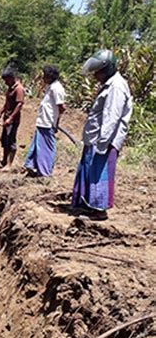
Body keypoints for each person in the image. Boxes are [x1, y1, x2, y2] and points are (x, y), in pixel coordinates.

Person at [71, 49, 132, 220]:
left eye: (97, 72)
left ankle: (99, 210)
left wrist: (103, 143)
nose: (95, 75)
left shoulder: (117, 86)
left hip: (104, 140)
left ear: (107, 69)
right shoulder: (109, 84)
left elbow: (112, 117)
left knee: (100, 174)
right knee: (92, 171)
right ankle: (89, 206)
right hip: (96, 138)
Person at [24, 65, 66, 177]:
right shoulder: (50, 87)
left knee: (46, 148)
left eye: (45, 76)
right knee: (37, 145)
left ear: (50, 76)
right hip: (43, 122)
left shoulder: (57, 88)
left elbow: (61, 107)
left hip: (48, 123)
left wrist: (56, 123)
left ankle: (44, 172)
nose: (43, 78)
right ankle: (32, 166)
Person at [0, 67, 25, 168]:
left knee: (11, 141)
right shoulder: (10, 88)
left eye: (6, 80)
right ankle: (4, 161)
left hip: (13, 120)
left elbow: (19, 104)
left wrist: (11, 118)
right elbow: (7, 103)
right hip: (7, 118)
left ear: (12, 78)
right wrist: (0, 113)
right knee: (5, 140)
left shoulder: (18, 89)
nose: (5, 82)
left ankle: (9, 164)